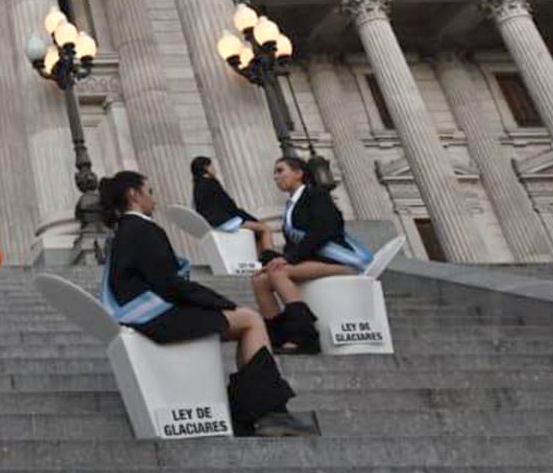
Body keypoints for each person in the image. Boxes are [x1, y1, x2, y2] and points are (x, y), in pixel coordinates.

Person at [99, 170, 316, 437]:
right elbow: (169, 284)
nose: (154, 200)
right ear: (134, 194)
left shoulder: (125, 231)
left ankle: (253, 411)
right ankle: (269, 412)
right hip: (157, 318)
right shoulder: (143, 228)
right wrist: (218, 302)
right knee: (250, 320)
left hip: (144, 314)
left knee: (244, 319)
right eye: (150, 192)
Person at [251, 156, 374, 354]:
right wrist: (275, 258)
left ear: (299, 173)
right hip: (313, 261)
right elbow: (295, 244)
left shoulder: (317, 196)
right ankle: (278, 337)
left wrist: (288, 260)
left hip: (340, 260)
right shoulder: (292, 204)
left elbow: (325, 231)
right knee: (259, 281)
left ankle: (305, 336)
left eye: (280, 170)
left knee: (279, 273)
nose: (276, 177)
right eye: (275, 172)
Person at [190, 155, 273, 253]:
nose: (214, 169)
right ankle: (270, 260)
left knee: (256, 232)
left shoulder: (197, 186)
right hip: (226, 221)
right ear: (206, 168)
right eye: (212, 166)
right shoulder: (211, 183)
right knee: (265, 229)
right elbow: (227, 204)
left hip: (215, 223)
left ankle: (261, 261)